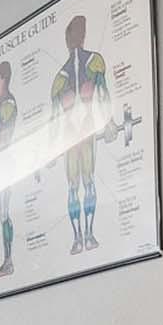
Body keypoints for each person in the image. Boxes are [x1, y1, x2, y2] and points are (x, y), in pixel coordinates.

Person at [51, 15, 111, 252]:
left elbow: (105, 98)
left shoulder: (66, 76)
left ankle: (86, 235)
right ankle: (81, 236)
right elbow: (54, 122)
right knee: (78, 184)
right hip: (73, 135)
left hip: (83, 131)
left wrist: (110, 123)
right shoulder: (65, 77)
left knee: (83, 183)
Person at [0, 61, 18, 278]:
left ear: (3, 81)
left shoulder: (8, 104)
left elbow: (3, 139)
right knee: (1, 215)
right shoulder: (2, 105)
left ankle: (8, 261)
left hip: (4, 167)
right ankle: (7, 259)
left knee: (4, 214)